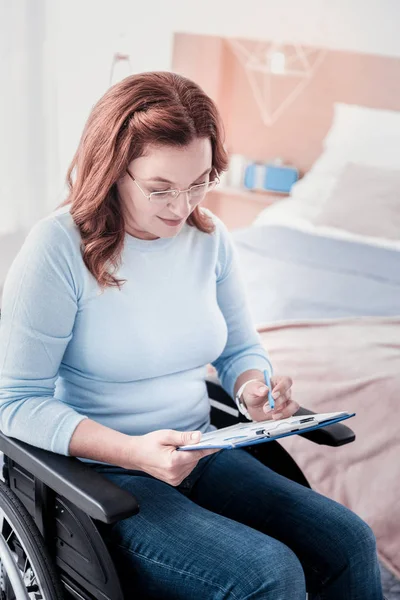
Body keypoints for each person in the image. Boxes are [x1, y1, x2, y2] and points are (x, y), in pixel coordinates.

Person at [0, 71, 383, 599]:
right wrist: (135, 453)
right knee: (268, 574)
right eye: (160, 189)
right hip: (102, 475)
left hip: (202, 449)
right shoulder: (57, 250)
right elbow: (14, 402)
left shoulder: (209, 238)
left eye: (199, 182)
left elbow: (241, 350)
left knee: (349, 541)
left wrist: (255, 389)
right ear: (113, 170)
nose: (182, 208)